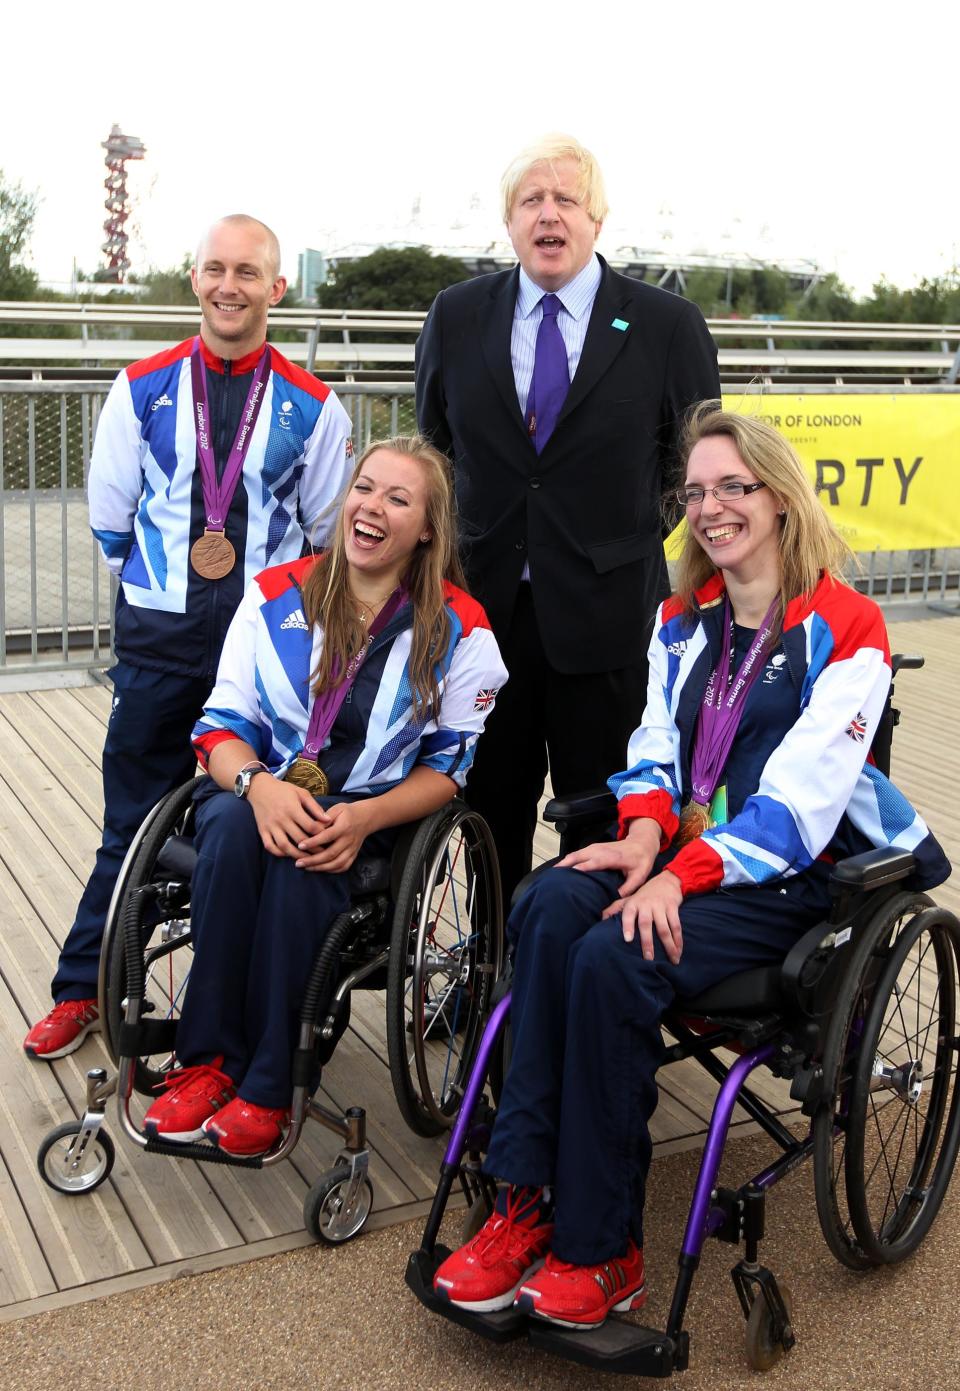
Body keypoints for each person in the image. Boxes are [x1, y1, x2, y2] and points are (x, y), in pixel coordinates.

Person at [432, 405, 950, 1328]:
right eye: (697, 492)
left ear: (780, 497)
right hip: (681, 852)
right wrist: (640, 835)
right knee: (548, 903)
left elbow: (797, 806)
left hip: (793, 879)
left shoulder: (846, 624)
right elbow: (655, 748)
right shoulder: (681, 618)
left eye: (733, 488)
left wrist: (680, 873)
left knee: (614, 955)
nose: (711, 508)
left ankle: (603, 1248)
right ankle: (523, 1198)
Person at [24, 215, 353, 1060]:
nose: (228, 285)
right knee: (130, 825)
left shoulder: (315, 406)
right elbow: (110, 520)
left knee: (244, 836)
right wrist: (169, 594)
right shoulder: (141, 386)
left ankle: (225, 1013)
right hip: (163, 641)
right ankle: (82, 988)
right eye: (215, 268)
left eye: (248, 271)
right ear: (195, 279)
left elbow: (323, 536)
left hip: (265, 658)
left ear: (276, 288)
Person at [139, 435, 508, 1156]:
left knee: (309, 865)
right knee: (235, 837)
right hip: (257, 786)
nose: (370, 507)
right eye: (363, 488)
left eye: (397, 499)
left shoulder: (463, 631)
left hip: (369, 813)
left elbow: (447, 769)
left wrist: (362, 815)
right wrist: (257, 786)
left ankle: (270, 1084)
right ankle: (208, 1061)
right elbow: (219, 726)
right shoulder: (275, 592)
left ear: (428, 527)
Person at [416, 134, 721, 904]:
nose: (548, 215)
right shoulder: (456, 316)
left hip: (610, 617)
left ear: (597, 218)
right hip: (485, 620)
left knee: (604, 817)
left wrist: (617, 543)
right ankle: (486, 984)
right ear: (509, 220)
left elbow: (691, 465)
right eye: (531, 200)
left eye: (566, 200)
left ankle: (577, 985)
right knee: (487, 815)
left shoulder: (663, 325)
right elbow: (435, 456)